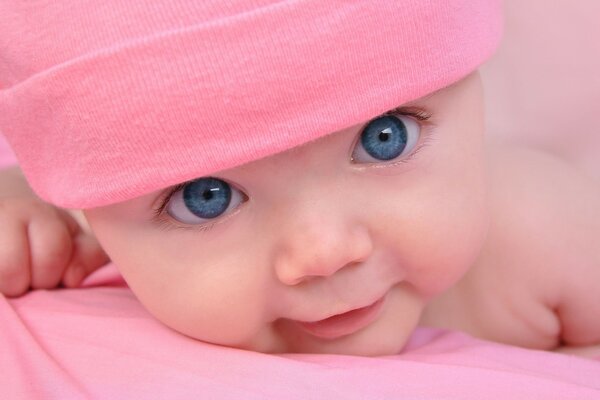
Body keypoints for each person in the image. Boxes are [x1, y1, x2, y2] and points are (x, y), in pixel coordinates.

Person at [0, 0, 598, 357]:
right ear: (90, 214)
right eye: (204, 198)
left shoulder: (546, 233)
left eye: (383, 139)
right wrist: (21, 206)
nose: (325, 253)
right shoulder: (79, 229)